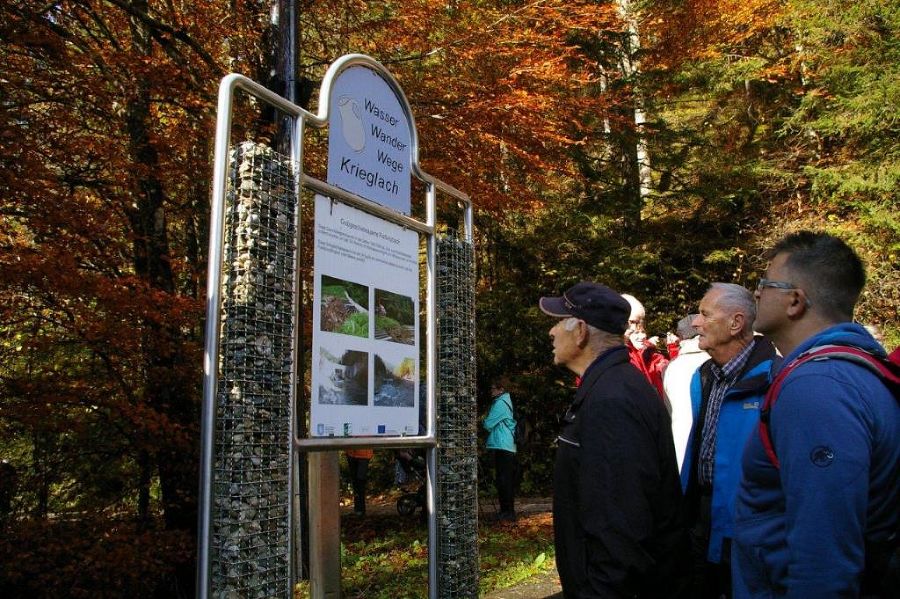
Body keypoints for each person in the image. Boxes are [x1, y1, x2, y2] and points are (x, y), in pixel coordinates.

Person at [733, 231, 899, 598]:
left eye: (765, 283)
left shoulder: (818, 387)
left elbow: (824, 553)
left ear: (795, 301)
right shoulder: (848, 371)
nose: (756, 293)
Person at [540, 281, 689, 598]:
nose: (551, 333)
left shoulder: (613, 400)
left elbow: (621, 529)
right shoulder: (610, 386)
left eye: (557, 322)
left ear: (581, 331)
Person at [680, 284, 778, 598]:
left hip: (748, 526)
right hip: (701, 517)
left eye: (705, 314)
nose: (695, 322)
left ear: (735, 323)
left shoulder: (774, 378)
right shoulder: (705, 375)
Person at [663, 313, 710, 471]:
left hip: (679, 444)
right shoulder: (713, 362)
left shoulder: (671, 367)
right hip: (708, 446)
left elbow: (668, 409)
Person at [622, 293, 669, 400]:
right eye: (632, 322)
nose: (634, 328)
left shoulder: (636, 351)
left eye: (638, 323)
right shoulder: (610, 352)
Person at [483, 380, 518, 522]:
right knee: (504, 480)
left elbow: (488, 423)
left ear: (501, 389)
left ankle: (508, 513)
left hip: (503, 446)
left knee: (504, 480)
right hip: (506, 445)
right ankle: (506, 512)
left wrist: (482, 422)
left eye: (493, 388)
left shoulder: (500, 404)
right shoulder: (506, 401)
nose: (491, 390)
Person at [345, 448, 373, 517]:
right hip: (351, 453)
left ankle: (361, 510)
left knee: (360, 481)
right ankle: (357, 509)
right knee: (355, 482)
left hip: (364, 454)